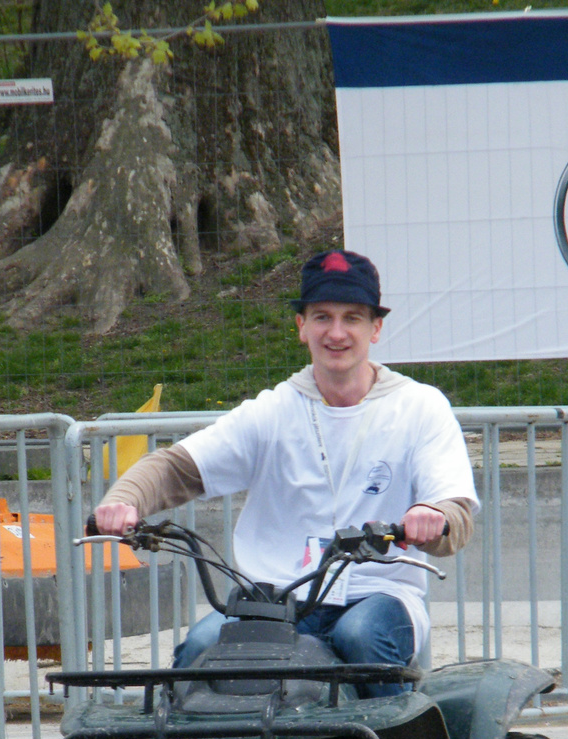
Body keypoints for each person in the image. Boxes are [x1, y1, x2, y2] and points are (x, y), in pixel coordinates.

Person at [93, 249, 479, 696]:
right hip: (275, 599)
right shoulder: (273, 411)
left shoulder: (419, 407)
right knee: (200, 644)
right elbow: (175, 467)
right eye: (321, 317)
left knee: (361, 636)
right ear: (301, 327)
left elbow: (455, 508)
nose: (336, 332)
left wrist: (433, 515)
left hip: (379, 591)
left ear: (375, 328)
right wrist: (123, 501)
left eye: (352, 318)